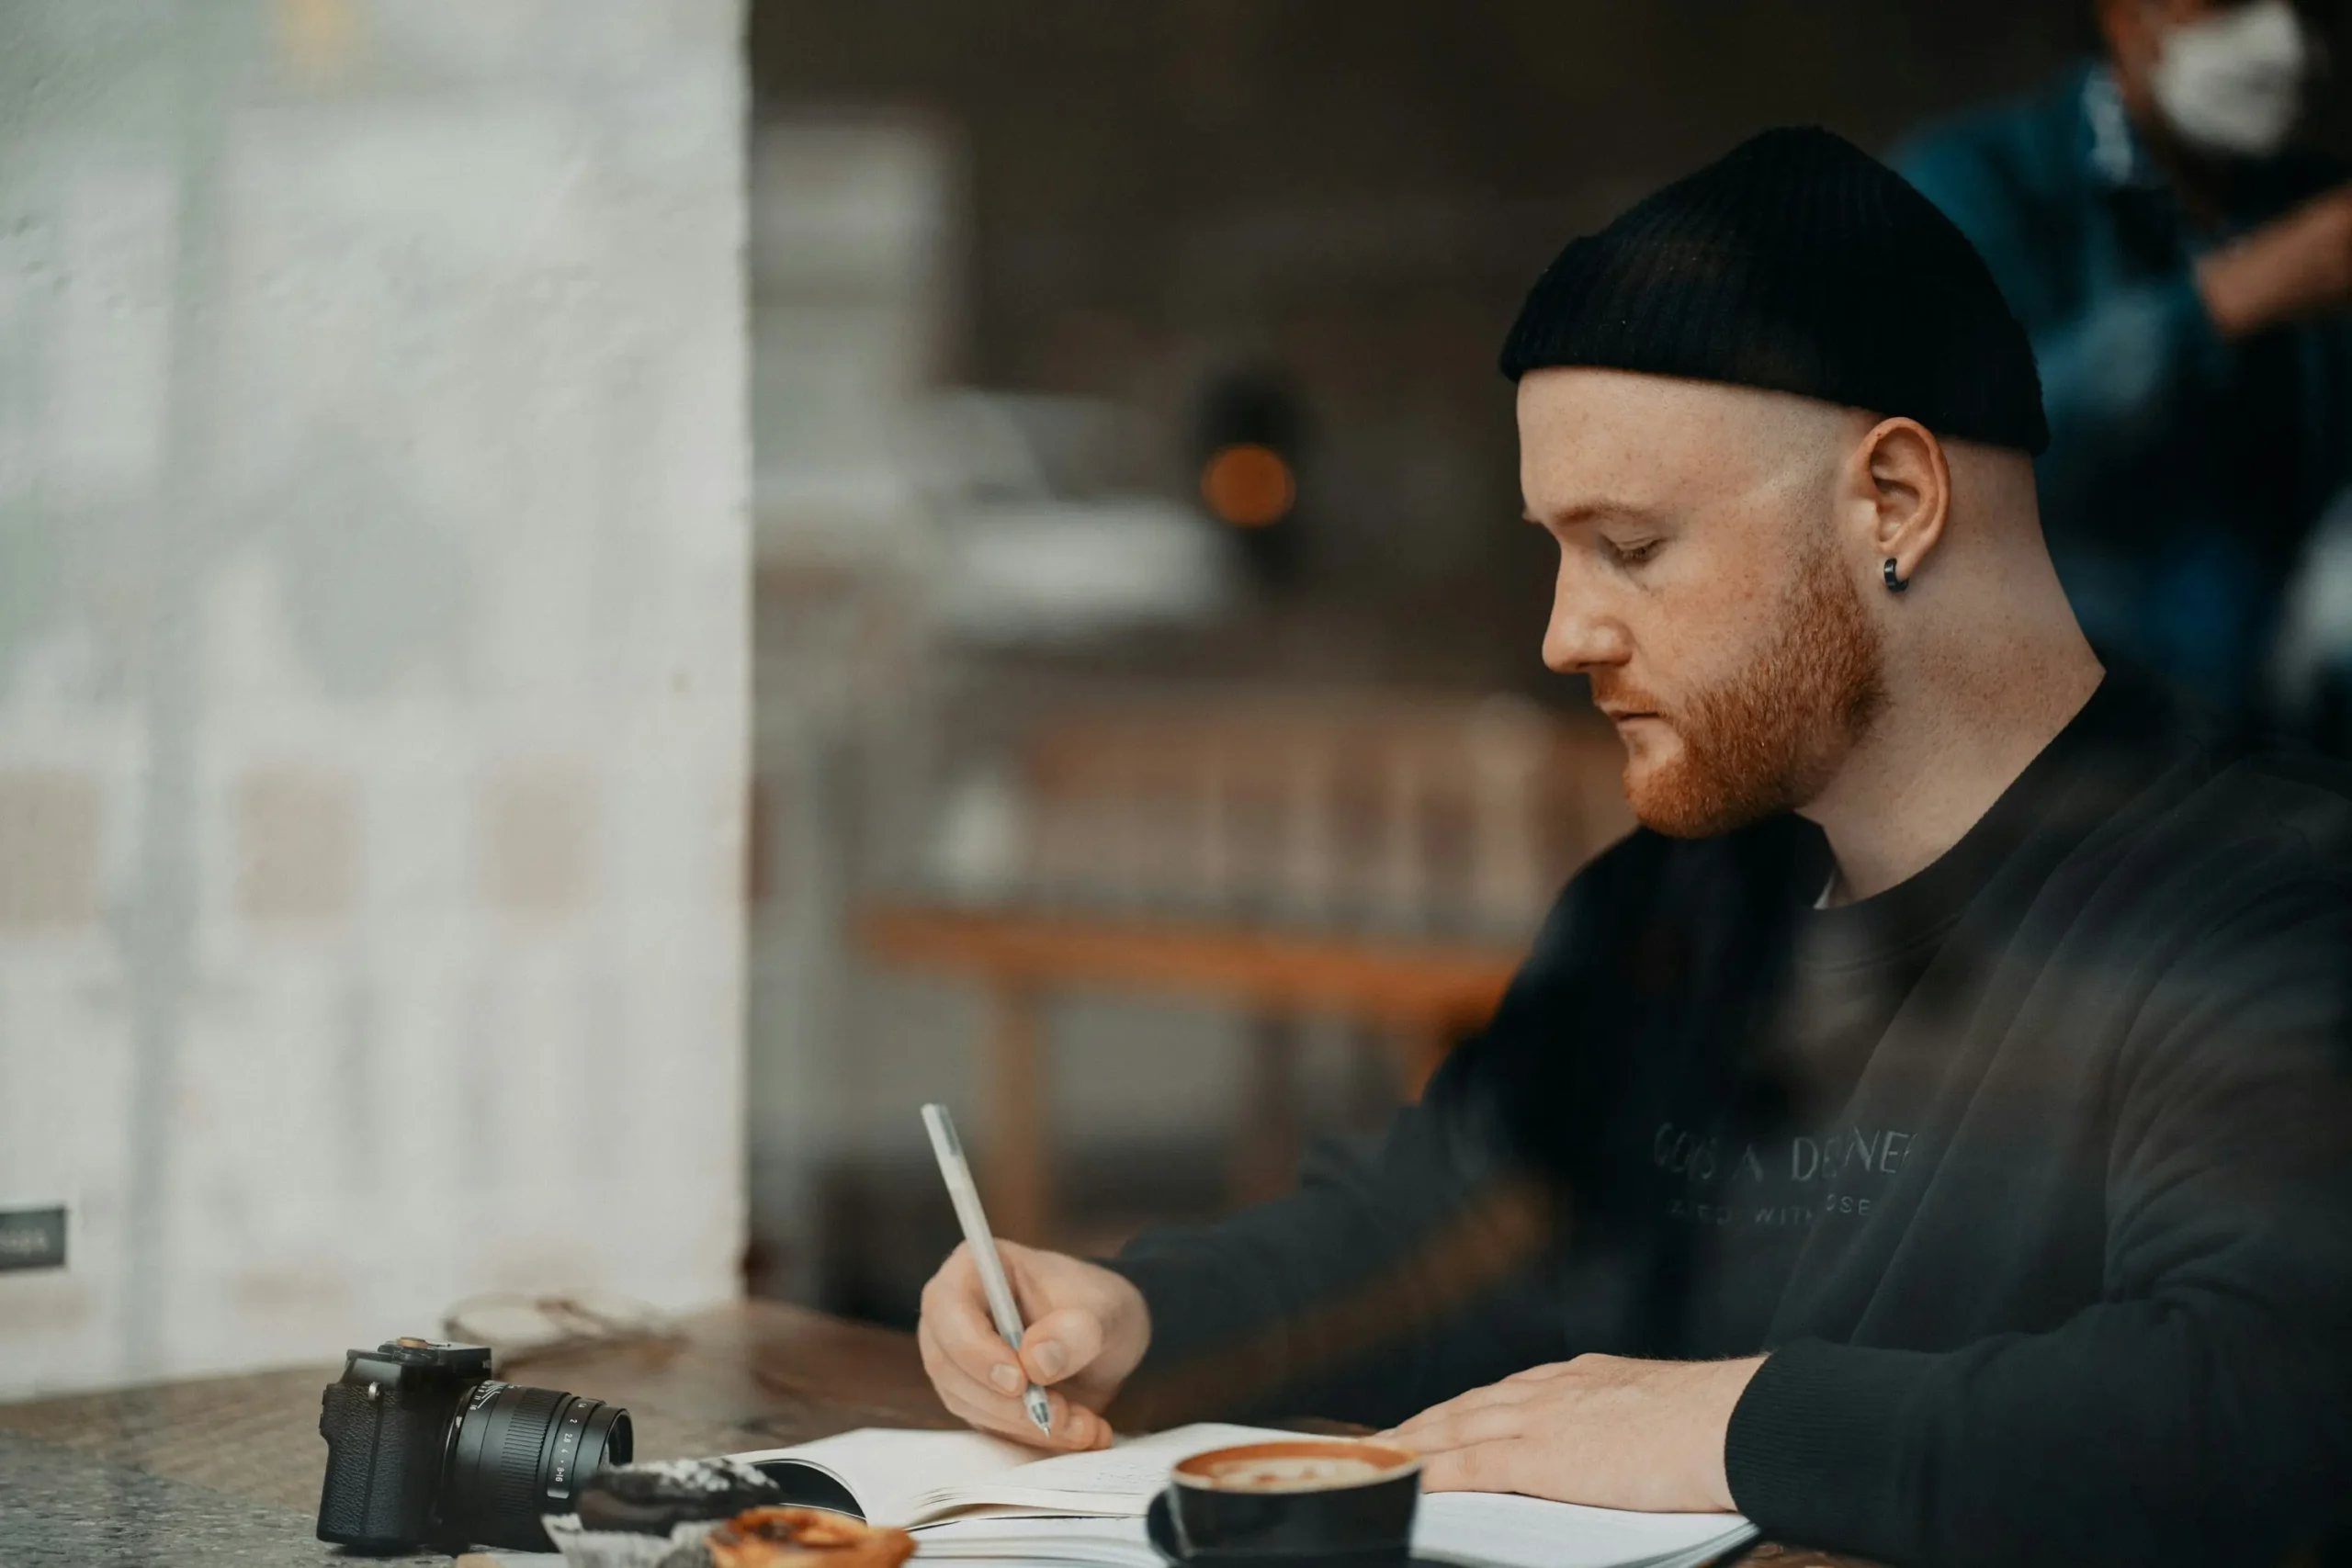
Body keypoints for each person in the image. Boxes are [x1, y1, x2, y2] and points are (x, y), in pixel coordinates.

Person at [916, 130, 2352, 1568]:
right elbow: (1435, 1219)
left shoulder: (2266, 901)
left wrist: (1721, 1425)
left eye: (1630, 545)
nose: (1562, 631)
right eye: (1554, 545)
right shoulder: (1672, 908)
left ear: (1895, 501)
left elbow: (2271, 1403)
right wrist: (1125, 1313)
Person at [1894, 0, 2352, 723]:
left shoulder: (2310, 199)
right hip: (2070, 691)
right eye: (2229, 2)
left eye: (2308, 9)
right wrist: (2223, 303)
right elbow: (1955, 458)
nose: (2284, 39)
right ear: (2123, 16)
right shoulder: (1974, 183)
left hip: (2276, 685)